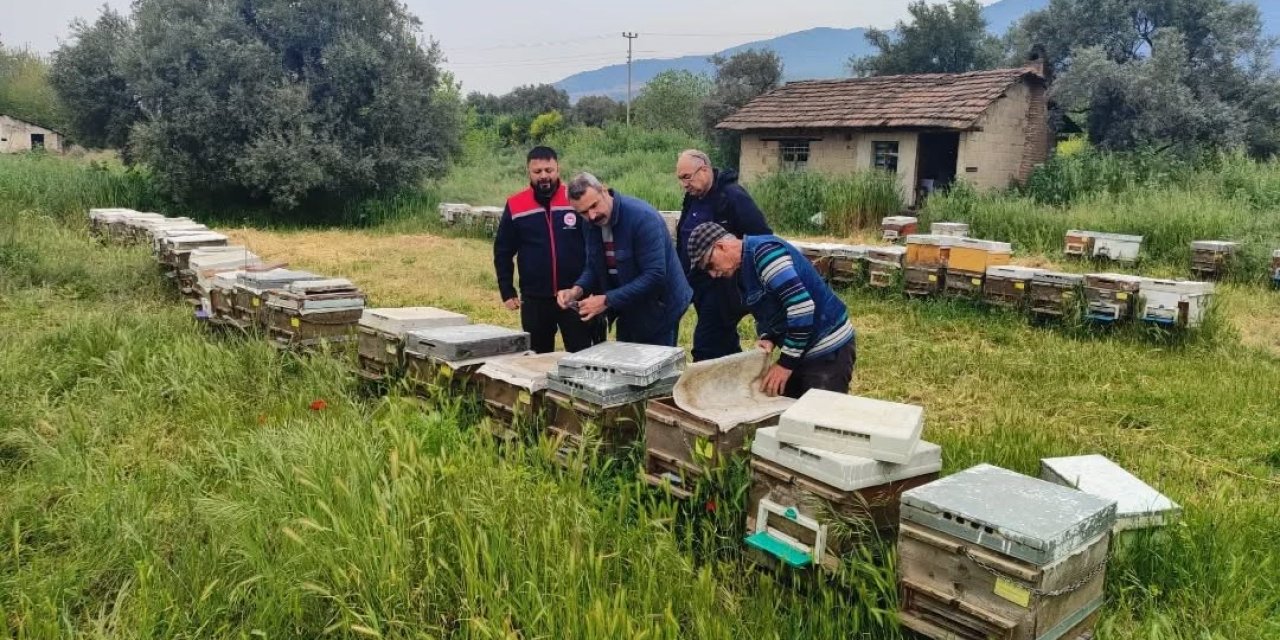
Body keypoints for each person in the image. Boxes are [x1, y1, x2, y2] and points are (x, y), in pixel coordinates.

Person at [685, 222, 856, 398]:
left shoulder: (766, 255)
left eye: (710, 265)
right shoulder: (742, 270)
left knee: (816, 421)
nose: (713, 274)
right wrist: (770, 337)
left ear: (721, 247)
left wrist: (785, 365)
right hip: (802, 351)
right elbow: (774, 305)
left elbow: (802, 308)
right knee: (789, 416)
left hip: (827, 350)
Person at [556, 172, 692, 347]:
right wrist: (576, 290)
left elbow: (655, 275)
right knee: (628, 362)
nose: (592, 215)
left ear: (604, 190)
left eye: (594, 205)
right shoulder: (590, 224)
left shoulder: (642, 217)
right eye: (583, 212)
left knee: (657, 367)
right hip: (626, 304)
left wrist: (606, 300)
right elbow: (593, 266)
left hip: (660, 306)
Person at [493, 146, 599, 353]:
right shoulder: (516, 205)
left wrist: (592, 288)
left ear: (558, 169)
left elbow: (594, 247)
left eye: (549, 170)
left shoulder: (575, 200)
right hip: (534, 299)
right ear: (529, 172)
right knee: (537, 358)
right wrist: (506, 289)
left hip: (574, 295)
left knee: (583, 355)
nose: (544, 176)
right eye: (537, 171)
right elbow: (503, 250)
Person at [675, 149, 773, 362]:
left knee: (705, 344)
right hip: (699, 284)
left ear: (704, 169)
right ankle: (734, 379)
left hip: (725, 285)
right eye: (680, 179)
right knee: (724, 342)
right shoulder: (691, 199)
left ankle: (703, 388)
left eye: (687, 177)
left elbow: (763, 238)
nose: (684, 184)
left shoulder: (733, 196)